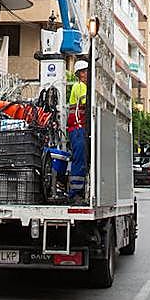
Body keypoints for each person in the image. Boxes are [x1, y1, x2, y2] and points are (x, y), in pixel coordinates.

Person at [67, 59, 89, 201]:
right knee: (79, 159)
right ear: (79, 74)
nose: (86, 74)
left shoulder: (82, 86)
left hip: (79, 129)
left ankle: (79, 191)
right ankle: (75, 193)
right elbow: (86, 103)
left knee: (82, 159)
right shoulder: (80, 86)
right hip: (78, 128)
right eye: (84, 72)